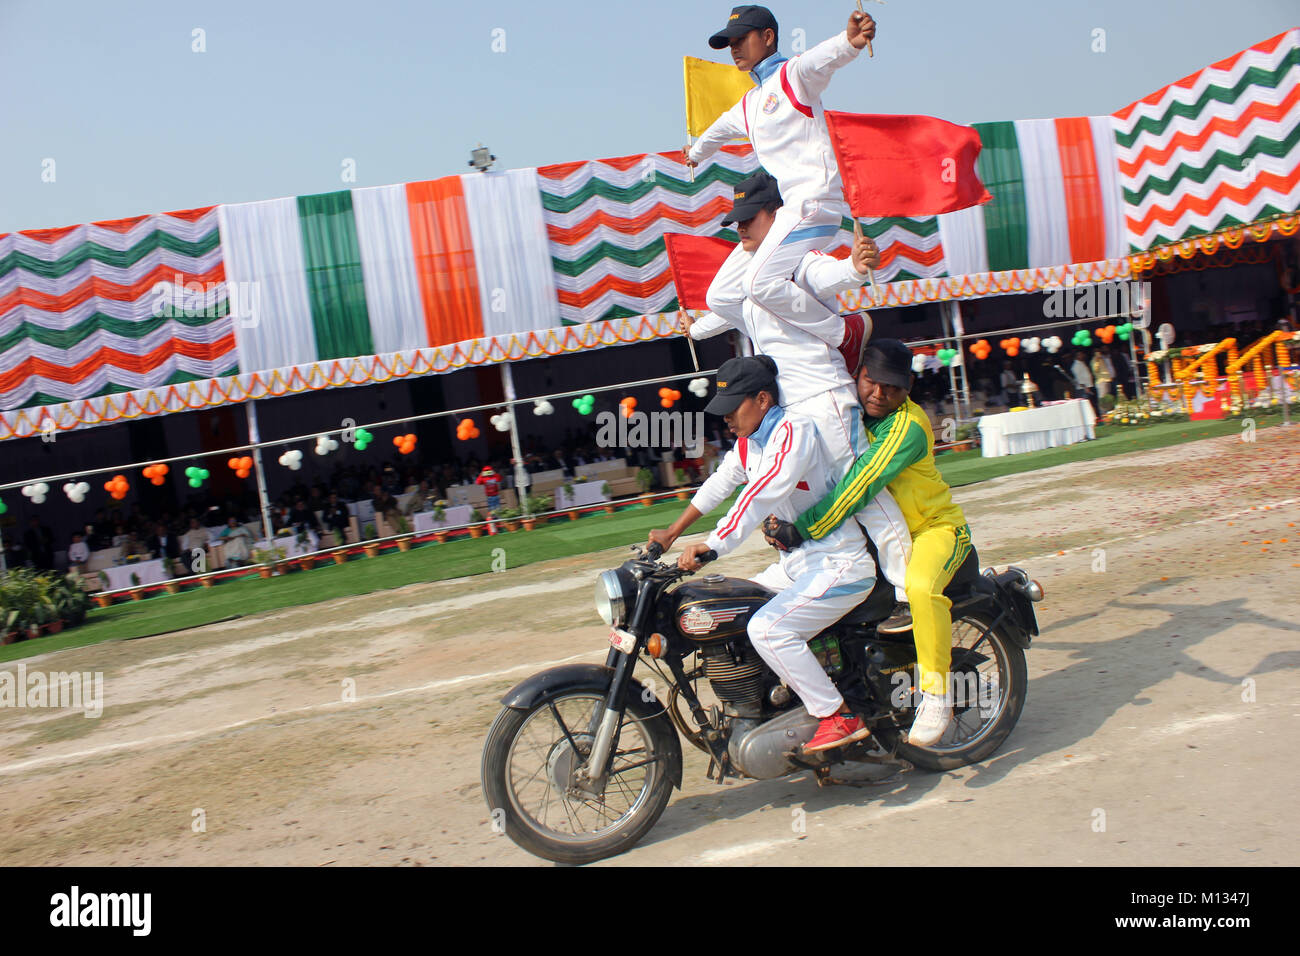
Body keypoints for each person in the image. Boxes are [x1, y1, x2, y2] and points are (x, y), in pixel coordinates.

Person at [683, 171, 912, 615]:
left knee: (863, 496)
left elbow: (830, 276)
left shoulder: (801, 262)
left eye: (750, 218)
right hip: (795, 404)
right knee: (824, 496)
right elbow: (722, 301)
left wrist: (854, 268)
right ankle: (844, 584)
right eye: (737, 221)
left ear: (778, 214)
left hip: (825, 395)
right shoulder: (758, 276)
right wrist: (698, 326)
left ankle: (907, 595)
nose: (740, 228)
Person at [649, 356, 878, 752]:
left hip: (839, 563)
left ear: (762, 399)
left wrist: (713, 544)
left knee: (767, 629)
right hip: (796, 565)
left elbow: (761, 493)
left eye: (732, 409)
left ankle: (837, 715)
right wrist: (672, 532)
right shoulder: (749, 443)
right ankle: (770, 703)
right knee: (729, 610)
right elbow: (719, 484)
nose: (726, 420)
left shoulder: (794, 431)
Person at [763, 340, 976, 747]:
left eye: (892, 387)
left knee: (919, 588)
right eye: (871, 382)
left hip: (933, 531)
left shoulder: (907, 427)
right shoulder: (849, 415)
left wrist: (804, 528)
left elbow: (861, 483)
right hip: (873, 542)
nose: (879, 393)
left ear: (908, 387)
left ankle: (937, 694)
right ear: (856, 376)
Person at [687, 5, 876, 373]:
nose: (734, 48)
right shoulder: (750, 103)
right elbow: (716, 131)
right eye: (729, 43)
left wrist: (849, 42)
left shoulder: (792, 76)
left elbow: (817, 61)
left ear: (768, 37)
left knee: (759, 283)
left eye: (741, 39)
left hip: (815, 203)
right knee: (720, 295)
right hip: (788, 211)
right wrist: (694, 153)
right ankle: (778, 338)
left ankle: (844, 335)